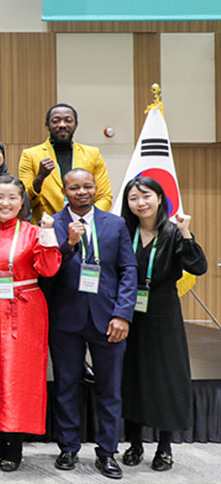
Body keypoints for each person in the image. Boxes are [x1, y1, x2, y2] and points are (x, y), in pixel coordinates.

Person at [46, 169, 136, 479]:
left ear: (96, 188)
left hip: (108, 318)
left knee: (109, 389)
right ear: (64, 191)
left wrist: (123, 314)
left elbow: (128, 270)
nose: (81, 192)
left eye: (87, 186)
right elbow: (47, 271)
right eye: (74, 187)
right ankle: (68, 448)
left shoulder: (116, 224)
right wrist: (68, 244)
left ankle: (107, 452)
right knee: (66, 386)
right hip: (65, 319)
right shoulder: (50, 224)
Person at [0, 175, 61, 471]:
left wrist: (48, 235)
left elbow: (48, 269)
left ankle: (14, 446)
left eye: (12, 198)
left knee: (18, 377)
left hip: (25, 309)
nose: (5, 203)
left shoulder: (34, 232)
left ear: (22, 202)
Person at [119, 177, 207, 472]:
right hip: (129, 312)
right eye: (133, 198)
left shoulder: (172, 232)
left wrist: (186, 232)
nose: (140, 203)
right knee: (132, 376)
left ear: (159, 198)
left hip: (163, 313)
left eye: (146, 196)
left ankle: (164, 447)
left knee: (164, 378)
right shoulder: (125, 230)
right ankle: (134, 443)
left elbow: (198, 267)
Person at [20, 104, 114, 220]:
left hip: (87, 225)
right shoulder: (30, 155)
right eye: (56, 121)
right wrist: (40, 177)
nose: (62, 125)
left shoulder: (92, 153)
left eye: (68, 120)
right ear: (47, 125)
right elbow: (25, 201)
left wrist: (88, 220)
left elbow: (104, 196)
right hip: (47, 225)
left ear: (76, 125)